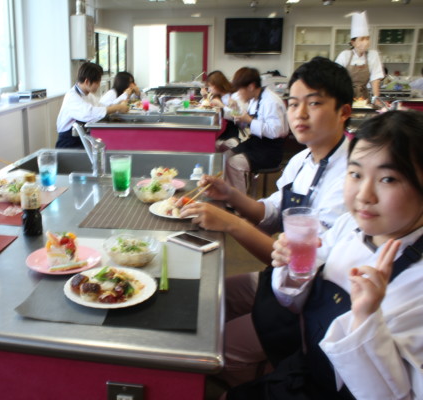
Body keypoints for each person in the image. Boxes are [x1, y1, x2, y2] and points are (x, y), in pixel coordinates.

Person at [227, 110, 423, 399]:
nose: (364, 195)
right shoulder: (348, 226)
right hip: (306, 369)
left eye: (388, 179)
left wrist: (366, 320)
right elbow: (291, 302)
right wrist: (292, 266)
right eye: (355, 174)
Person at [181, 57, 353, 386]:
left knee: (217, 349)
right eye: (294, 104)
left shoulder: (352, 179)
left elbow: (302, 267)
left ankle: (265, 379)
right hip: (275, 280)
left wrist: (231, 223)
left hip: (309, 304)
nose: (299, 114)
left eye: (314, 103)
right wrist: (230, 195)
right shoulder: (302, 159)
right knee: (208, 298)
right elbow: (273, 211)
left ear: (344, 112)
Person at [221, 67, 289, 194]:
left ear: (251, 87)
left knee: (233, 163)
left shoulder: (270, 102)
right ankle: (229, 196)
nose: (238, 94)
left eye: (240, 90)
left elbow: (276, 132)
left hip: (270, 150)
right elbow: (248, 125)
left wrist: (249, 120)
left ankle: (238, 202)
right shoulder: (254, 100)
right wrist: (240, 117)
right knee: (225, 156)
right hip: (255, 143)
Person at [55, 62, 128, 148]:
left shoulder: (88, 95)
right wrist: (117, 107)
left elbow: (101, 106)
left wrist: (118, 105)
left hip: (81, 139)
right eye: (98, 82)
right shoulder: (72, 96)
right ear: (87, 81)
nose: (99, 85)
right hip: (69, 143)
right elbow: (89, 113)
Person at [335, 11, 384, 102]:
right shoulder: (345, 55)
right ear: (353, 42)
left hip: (363, 97)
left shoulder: (373, 55)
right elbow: (336, 78)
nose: (365, 42)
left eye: (367, 39)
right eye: (362, 39)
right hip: (345, 95)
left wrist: (376, 98)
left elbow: (375, 79)